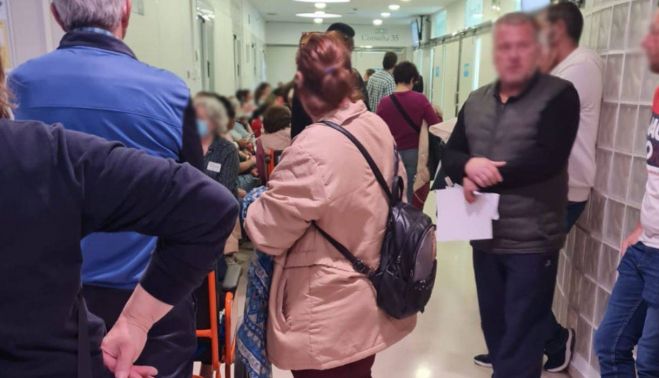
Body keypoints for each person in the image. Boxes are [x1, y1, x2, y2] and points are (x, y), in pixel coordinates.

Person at [0, 57, 239, 377]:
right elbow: (208, 206)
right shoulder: (42, 150)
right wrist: (136, 320)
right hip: (93, 329)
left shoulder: (28, 81)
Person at [244, 32, 415, 378]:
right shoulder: (376, 127)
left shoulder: (313, 147)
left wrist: (251, 203)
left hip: (326, 315)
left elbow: (266, 231)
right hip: (370, 297)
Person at [442, 12, 580, 378]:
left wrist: (484, 175)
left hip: (532, 240)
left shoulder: (559, 95)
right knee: (497, 331)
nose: (513, 54)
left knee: (523, 334)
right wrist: (468, 166)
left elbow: (547, 158)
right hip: (484, 236)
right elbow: (452, 152)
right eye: (505, 46)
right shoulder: (476, 99)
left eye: (522, 45)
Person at [473, 3, 604, 373]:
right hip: (536, 188)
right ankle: (510, 349)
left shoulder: (579, 67)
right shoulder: (561, 68)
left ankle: (547, 343)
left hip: (562, 189)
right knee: (508, 275)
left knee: (523, 279)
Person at [594, 10, 659, 377]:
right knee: (610, 344)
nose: (645, 42)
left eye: (654, 34)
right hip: (645, 248)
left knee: (650, 363)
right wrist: (643, 222)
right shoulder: (658, 95)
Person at [291, 23, 370, 138]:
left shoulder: (354, 77)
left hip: (348, 142)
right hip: (314, 143)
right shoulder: (306, 80)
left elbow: (365, 113)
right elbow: (297, 124)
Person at [376, 61, 441, 204]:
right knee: (411, 192)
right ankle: (409, 221)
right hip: (414, 154)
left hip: (391, 153)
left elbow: (378, 129)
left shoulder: (384, 103)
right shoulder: (420, 99)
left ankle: (395, 219)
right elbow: (435, 125)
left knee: (393, 190)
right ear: (412, 79)